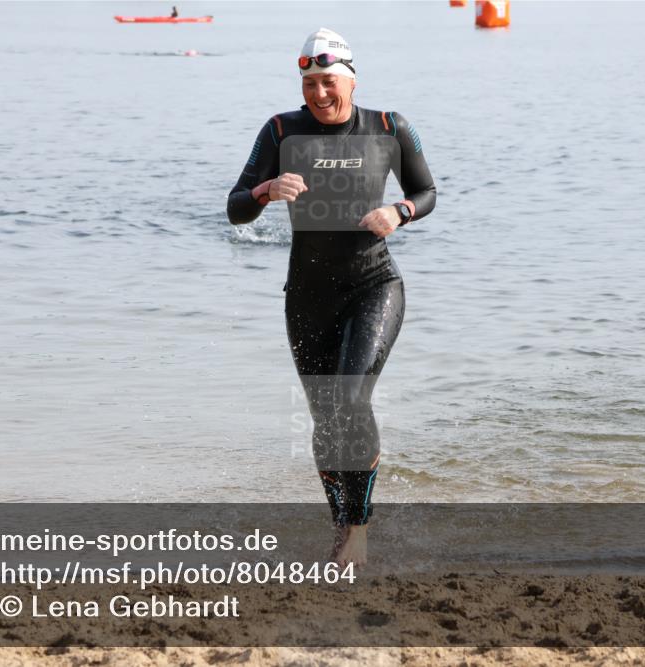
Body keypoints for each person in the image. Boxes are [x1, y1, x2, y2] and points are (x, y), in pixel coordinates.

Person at [227, 28, 436, 568]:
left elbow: (426, 192)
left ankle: (358, 533)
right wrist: (266, 191)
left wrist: (399, 212)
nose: (319, 94)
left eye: (329, 82)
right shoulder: (281, 130)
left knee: (350, 399)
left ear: (351, 81)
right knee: (326, 418)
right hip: (307, 296)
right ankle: (343, 526)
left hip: (374, 285)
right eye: (310, 84)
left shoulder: (388, 127)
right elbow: (235, 207)